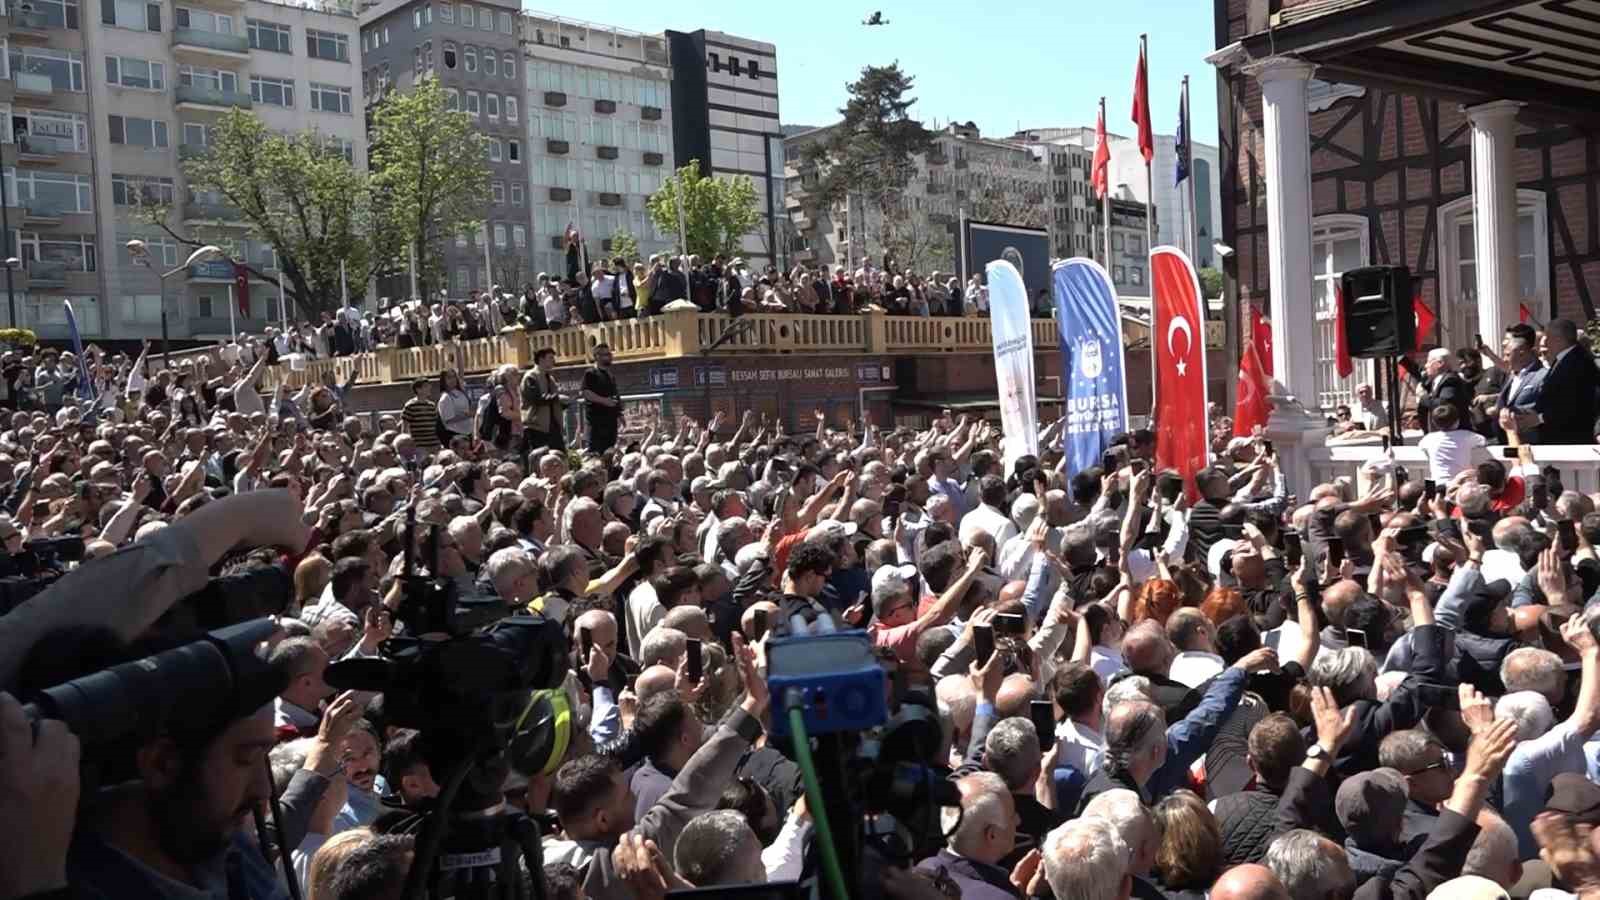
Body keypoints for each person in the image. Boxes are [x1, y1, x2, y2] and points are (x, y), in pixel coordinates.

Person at [521, 348, 567, 454]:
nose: (553, 361)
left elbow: (552, 403)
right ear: (541, 359)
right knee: (540, 459)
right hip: (537, 427)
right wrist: (557, 398)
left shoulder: (550, 378)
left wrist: (563, 404)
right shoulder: (530, 377)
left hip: (553, 426)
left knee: (560, 457)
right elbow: (536, 399)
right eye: (550, 358)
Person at [582, 344, 622, 454]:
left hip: (611, 424)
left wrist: (619, 414)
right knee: (596, 455)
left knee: (610, 454)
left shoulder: (610, 375)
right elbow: (585, 392)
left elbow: (615, 395)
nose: (609, 356)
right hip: (597, 425)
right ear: (596, 356)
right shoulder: (591, 373)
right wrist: (605, 401)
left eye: (610, 354)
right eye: (606, 354)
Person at [401, 377, 442, 455]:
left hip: (434, 444)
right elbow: (405, 427)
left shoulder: (431, 405)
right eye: (426, 386)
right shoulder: (410, 406)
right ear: (418, 389)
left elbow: (436, 424)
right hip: (419, 446)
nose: (429, 388)